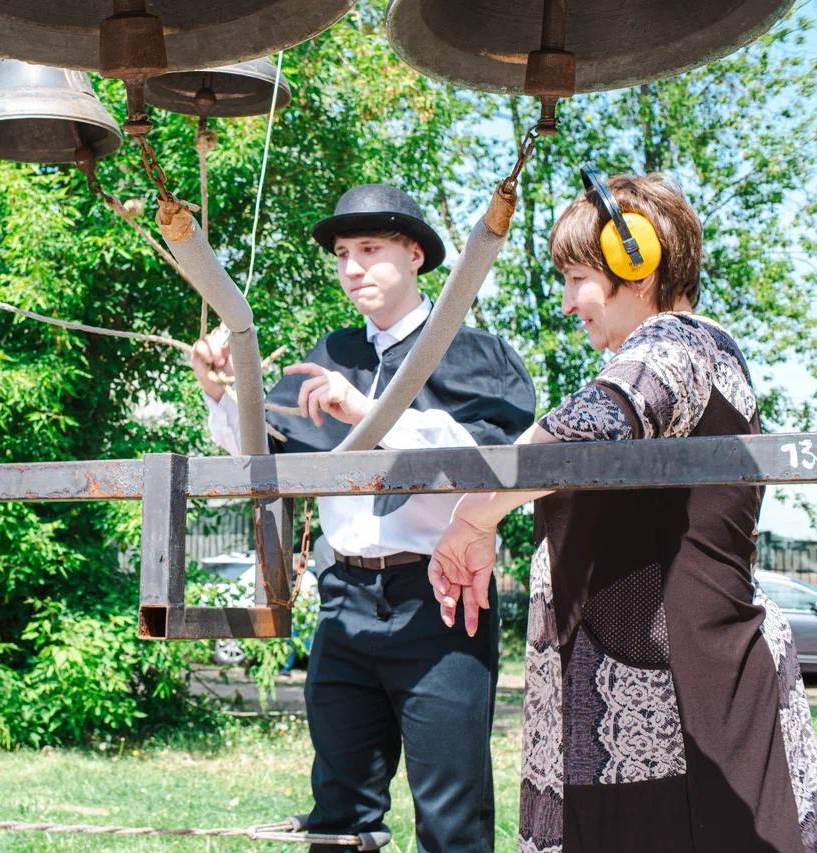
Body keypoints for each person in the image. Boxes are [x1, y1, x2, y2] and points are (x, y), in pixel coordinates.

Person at [428, 169, 817, 852]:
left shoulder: (679, 343)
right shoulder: (678, 351)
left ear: (637, 262)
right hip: (654, 712)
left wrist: (472, 519)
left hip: (682, 718)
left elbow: (588, 425)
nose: (567, 301)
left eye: (578, 277)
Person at [190, 184, 535, 852]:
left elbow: (490, 466)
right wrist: (221, 393)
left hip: (440, 600)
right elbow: (266, 458)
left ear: (415, 255)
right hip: (344, 603)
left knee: (452, 818)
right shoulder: (332, 355)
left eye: (370, 249)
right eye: (343, 253)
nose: (352, 267)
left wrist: (367, 415)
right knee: (339, 815)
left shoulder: (476, 355)